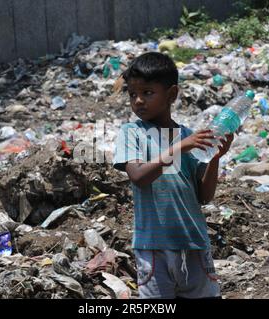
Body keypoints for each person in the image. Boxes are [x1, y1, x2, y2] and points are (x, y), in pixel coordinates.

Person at [113, 52, 234, 299]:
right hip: (153, 248)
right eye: (132, 94)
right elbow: (138, 176)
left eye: (147, 93)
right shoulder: (131, 133)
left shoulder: (188, 136)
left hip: (194, 243)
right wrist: (180, 146)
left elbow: (204, 195)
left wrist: (215, 159)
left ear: (171, 95)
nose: (138, 101)